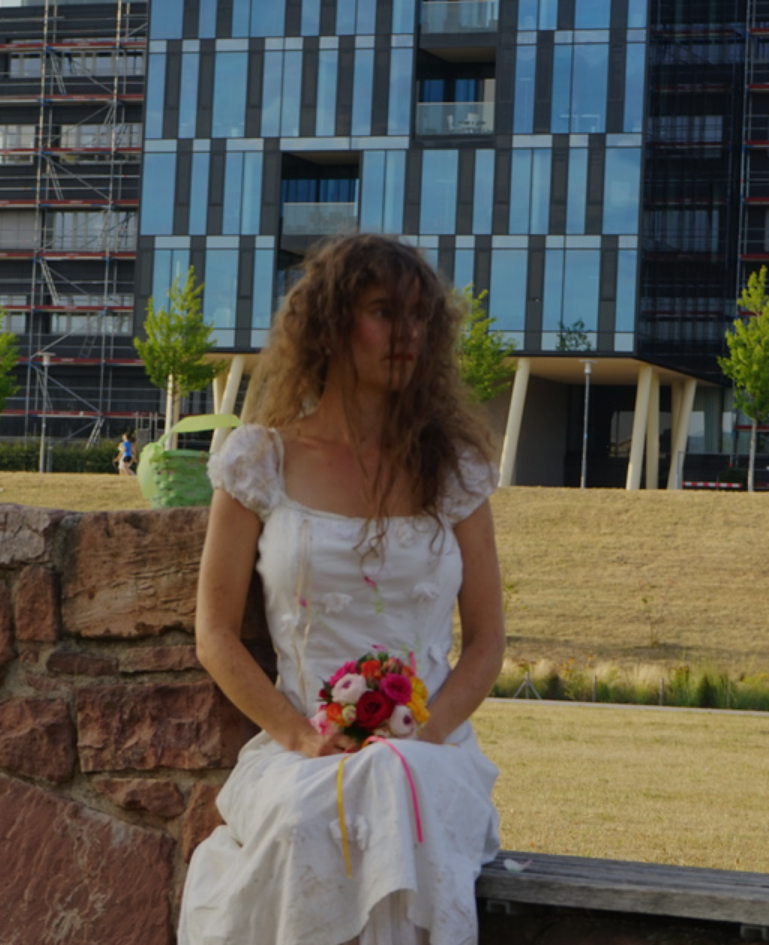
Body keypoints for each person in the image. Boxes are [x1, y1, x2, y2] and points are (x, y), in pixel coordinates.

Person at [181, 234, 506, 945]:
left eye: (419, 316)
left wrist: (425, 733)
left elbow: (487, 641)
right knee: (308, 816)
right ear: (330, 327)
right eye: (384, 312)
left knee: (397, 787)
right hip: (302, 751)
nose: (407, 333)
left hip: (433, 751)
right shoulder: (260, 460)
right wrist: (304, 736)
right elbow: (215, 634)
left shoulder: (455, 471)